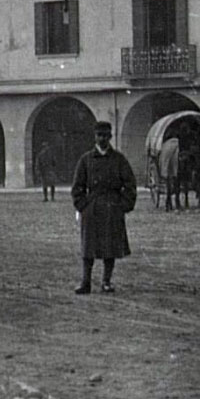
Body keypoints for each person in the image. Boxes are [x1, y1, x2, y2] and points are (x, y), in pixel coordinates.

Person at [70, 120, 135, 294]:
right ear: (95, 137)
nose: (103, 139)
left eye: (106, 135)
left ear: (111, 137)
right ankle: (86, 282)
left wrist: (123, 205)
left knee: (110, 247)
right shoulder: (86, 160)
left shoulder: (119, 159)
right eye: (99, 135)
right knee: (88, 247)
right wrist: (83, 205)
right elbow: (77, 187)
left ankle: (106, 281)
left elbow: (130, 184)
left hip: (112, 208)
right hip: (92, 209)